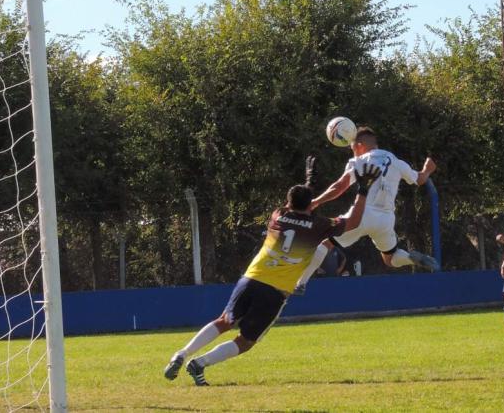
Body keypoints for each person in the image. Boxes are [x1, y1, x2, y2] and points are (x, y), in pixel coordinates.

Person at [162, 164, 381, 386]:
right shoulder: (320, 226)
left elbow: (299, 208)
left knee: (224, 321)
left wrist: (308, 185)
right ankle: (200, 364)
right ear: (310, 204)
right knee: (246, 341)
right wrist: (363, 189)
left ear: (288, 203)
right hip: (275, 291)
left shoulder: (278, 216)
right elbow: (353, 221)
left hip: (252, 277)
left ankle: (182, 353)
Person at [294, 126, 438, 295]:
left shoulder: (361, 161)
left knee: (325, 242)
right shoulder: (396, 162)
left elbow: (340, 186)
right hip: (386, 220)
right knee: (390, 259)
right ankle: (409, 258)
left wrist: (316, 202)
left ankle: (300, 283)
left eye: (352, 146)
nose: (351, 150)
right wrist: (428, 169)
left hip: (362, 214)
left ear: (360, 144)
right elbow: (419, 179)